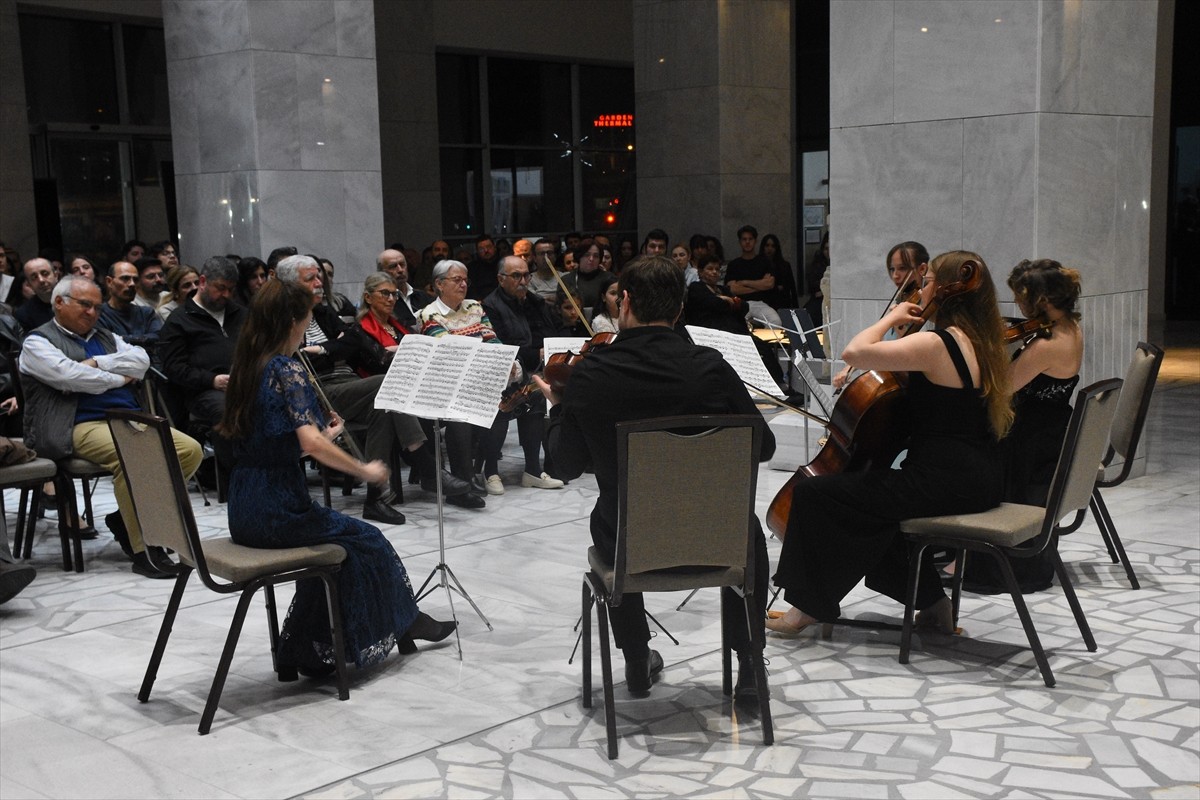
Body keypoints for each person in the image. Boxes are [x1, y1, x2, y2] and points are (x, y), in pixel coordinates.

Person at [536, 255, 777, 701]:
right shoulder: (710, 366)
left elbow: (564, 466)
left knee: (611, 515)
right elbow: (763, 447)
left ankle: (635, 657)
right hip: (715, 541)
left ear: (624, 302)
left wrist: (557, 409)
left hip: (631, 546)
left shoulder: (592, 371)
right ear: (680, 309)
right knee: (749, 533)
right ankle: (749, 662)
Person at [767, 250, 1012, 637]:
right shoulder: (980, 341)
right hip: (977, 477)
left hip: (943, 481)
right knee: (875, 518)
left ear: (945, 291)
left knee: (815, 495)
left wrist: (891, 318)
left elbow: (854, 351)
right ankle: (934, 606)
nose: (918, 288)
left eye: (926, 281)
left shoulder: (938, 343)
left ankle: (806, 608)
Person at [219, 279, 455, 676]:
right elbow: (308, 443)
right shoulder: (284, 367)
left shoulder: (247, 365)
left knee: (339, 546)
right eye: (307, 319)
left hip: (245, 506)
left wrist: (325, 436)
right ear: (293, 321)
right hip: (278, 508)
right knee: (367, 539)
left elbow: (273, 442)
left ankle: (303, 646)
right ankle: (402, 621)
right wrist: (363, 469)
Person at [20, 275, 203, 578]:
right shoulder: (38, 342)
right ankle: (146, 548)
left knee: (190, 451)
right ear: (59, 303)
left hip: (126, 417)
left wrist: (98, 365)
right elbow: (71, 378)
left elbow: (142, 361)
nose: (92, 312)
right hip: (75, 424)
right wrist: (119, 376)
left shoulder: (105, 337)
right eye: (85, 305)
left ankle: (124, 516)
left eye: (97, 307)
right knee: (135, 455)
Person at [962, 259, 1083, 595]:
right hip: (1048, 431)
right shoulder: (1069, 327)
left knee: (970, 450)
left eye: (1020, 298)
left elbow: (1000, 388)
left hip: (1028, 442)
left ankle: (978, 556)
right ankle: (962, 551)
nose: (1016, 305)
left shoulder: (1047, 345)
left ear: (1040, 300)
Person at [415, 260, 499, 508]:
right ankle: (461, 483)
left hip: (479, 374)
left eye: (465, 279)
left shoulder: (474, 306)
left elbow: (490, 338)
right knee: (460, 411)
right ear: (439, 284)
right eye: (457, 280)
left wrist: (503, 362)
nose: (463, 284)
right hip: (445, 382)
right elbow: (449, 353)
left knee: (523, 392)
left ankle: (490, 471)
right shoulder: (428, 314)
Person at [481, 256, 564, 493]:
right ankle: (490, 472)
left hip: (536, 369)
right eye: (516, 276)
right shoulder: (490, 306)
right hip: (504, 373)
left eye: (527, 275)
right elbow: (501, 346)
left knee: (538, 393)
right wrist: (534, 354)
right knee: (507, 397)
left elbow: (553, 330)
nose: (524, 281)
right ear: (501, 279)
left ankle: (533, 470)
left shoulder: (535, 301)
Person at [832, 240, 931, 391]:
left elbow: (910, 353)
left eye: (902, 268)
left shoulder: (926, 309)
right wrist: (850, 367)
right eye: (892, 269)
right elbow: (879, 344)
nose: (895, 276)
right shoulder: (902, 300)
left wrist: (897, 325)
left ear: (922, 268)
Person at [724, 225, 781, 328]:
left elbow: (769, 284)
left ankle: (768, 344)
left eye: (750, 239)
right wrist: (759, 286)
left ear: (755, 241)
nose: (747, 242)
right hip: (740, 303)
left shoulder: (765, 262)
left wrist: (744, 283)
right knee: (734, 325)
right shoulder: (734, 264)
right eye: (744, 239)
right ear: (740, 242)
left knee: (775, 322)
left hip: (760, 303)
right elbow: (733, 289)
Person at [760, 233, 798, 310]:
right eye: (767, 245)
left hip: (782, 303)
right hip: (764, 304)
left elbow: (791, 287)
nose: (769, 249)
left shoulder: (784, 265)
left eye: (773, 246)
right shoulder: (758, 265)